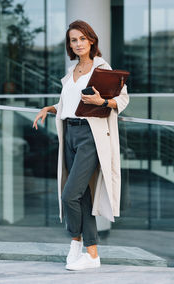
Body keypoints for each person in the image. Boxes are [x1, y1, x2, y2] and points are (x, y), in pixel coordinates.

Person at [33, 20, 129, 271]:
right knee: (81, 195)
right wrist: (50, 108)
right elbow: (70, 102)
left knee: (69, 194)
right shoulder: (72, 70)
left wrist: (102, 101)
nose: (78, 44)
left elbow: (122, 99)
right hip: (70, 135)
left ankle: (75, 241)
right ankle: (93, 255)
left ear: (92, 41)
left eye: (82, 39)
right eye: (73, 40)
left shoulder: (101, 67)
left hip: (90, 136)